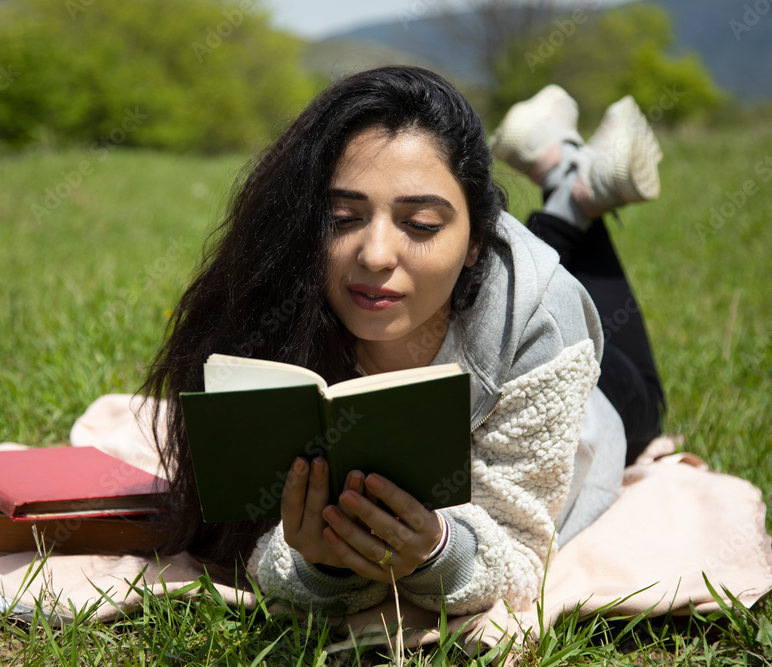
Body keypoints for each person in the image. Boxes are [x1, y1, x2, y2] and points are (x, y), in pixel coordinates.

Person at [141, 66, 666, 616]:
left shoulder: (545, 324)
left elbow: (517, 550)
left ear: (475, 242)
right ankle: (564, 171)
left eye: (420, 224)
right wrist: (321, 565)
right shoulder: (271, 300)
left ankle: (571, 186)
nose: (374, 255)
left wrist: (439, 552)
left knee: (645, 396)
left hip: (597, 402)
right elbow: (248, 535)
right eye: (343, 217)